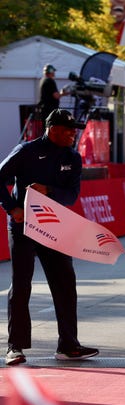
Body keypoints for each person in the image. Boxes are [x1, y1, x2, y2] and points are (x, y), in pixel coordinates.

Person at [0, 109, 99, 366]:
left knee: (65, 281)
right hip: (24, 226)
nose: (72, 134)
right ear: (52, 128)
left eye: (74, 129)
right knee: (21, 283)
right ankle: (15, 347)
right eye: (67, 130)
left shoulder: (73, 157)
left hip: (54, 227)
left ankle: (68, 345)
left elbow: (71, 196)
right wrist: (11, 207)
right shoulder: (26, 151)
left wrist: (49, 190)